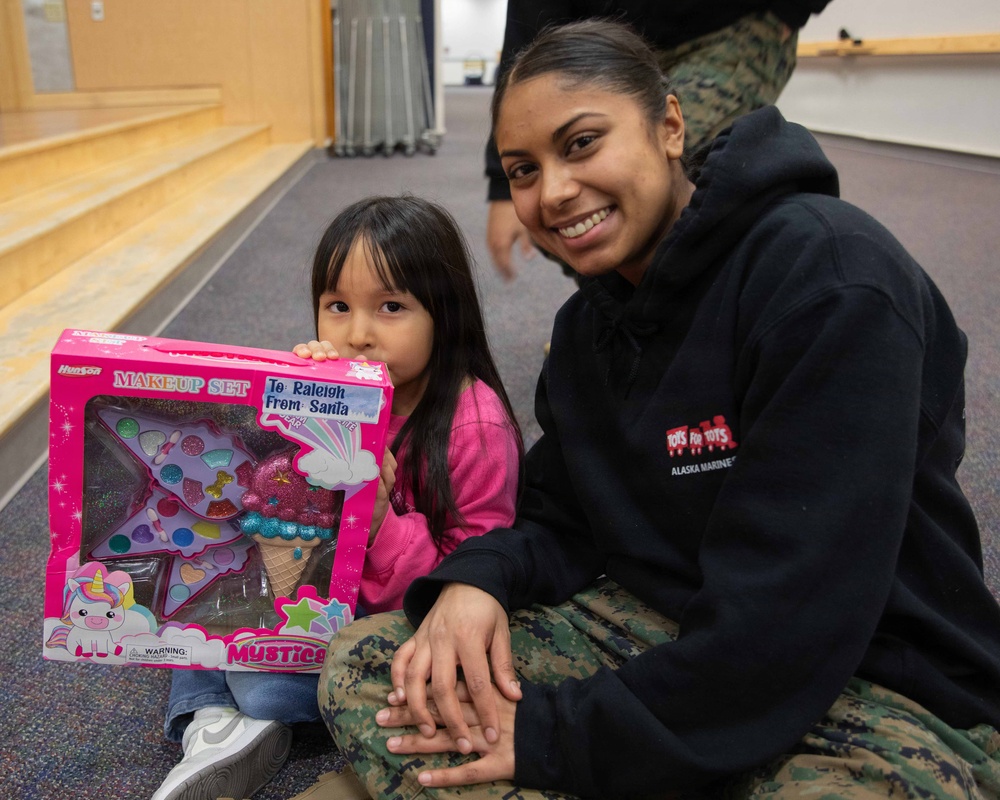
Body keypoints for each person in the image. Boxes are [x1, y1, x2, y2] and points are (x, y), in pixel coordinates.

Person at [318, 20, 1000, 800]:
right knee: (374, 669)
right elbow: (560, 522)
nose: (554, 192)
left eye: (580, 144)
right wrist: (477, 582)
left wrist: (553, 735)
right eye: (523, 171)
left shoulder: (829, 280)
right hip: (659, 628)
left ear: (670, 125)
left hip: (875, 677)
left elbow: (791, 616)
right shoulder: (587, 327)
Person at [152, 195, 522, 800]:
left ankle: (224, 713)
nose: (357, 335)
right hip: (321, 600)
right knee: (189, 598)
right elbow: (276, 503)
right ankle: (213, 725)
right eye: (338, 307)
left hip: (401, 626)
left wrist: (380, 518)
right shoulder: (336, 393)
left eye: (392, 307)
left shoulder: (472, 428)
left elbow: (469, 585)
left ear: (444, 314)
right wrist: (291, 410)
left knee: (260, 687)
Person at [485, 0, 831, 279]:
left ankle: (703, 319)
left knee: (666, 176)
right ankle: (624, 315)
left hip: (729, 27)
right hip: (610, 47)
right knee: (549, 214)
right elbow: (527, 25)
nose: (554, 192)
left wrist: (792, 9)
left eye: (583, 141)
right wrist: (503, 185)